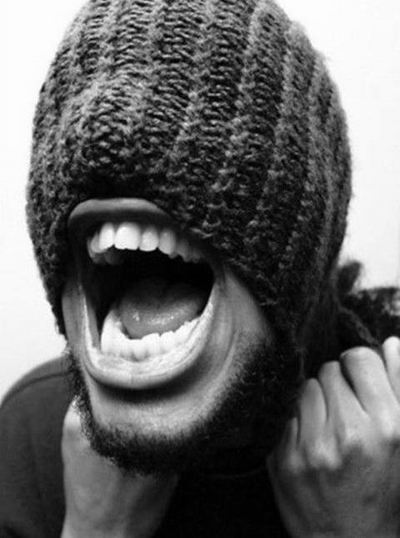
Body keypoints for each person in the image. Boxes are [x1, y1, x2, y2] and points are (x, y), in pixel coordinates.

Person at [1, 0, 400, 536]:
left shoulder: (391, 452)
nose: (116, 131)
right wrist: (96, 529)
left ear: (298, 253)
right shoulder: (29, 436)